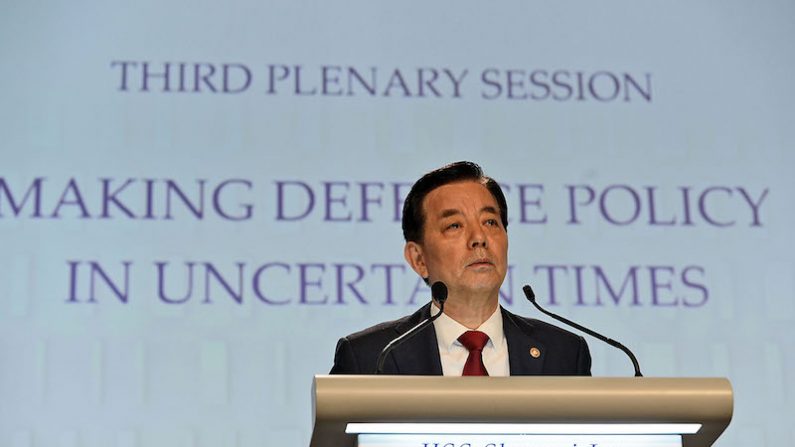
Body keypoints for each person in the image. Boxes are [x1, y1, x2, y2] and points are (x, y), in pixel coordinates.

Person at [330, 161, 591, 376]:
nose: (479, 238)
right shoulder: (370, 358)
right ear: (418, 258)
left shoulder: (565, 354)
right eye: (454, 226)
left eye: (490, 222)